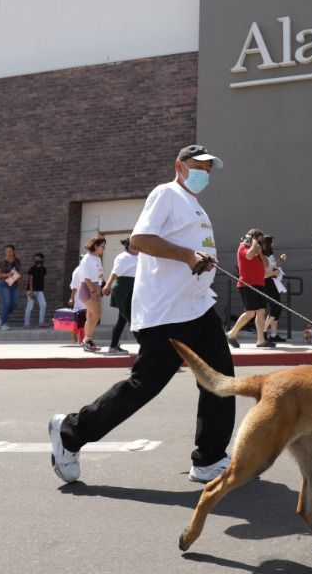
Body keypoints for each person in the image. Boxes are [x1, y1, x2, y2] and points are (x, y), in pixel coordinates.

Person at [49, 143, 234, 486]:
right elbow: (140, 240)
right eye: (199, 166)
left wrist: (204, 261)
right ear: (180, 166)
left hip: (197, 307)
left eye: (209, 169)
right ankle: (70, 432)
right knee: (144, 386)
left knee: (221, 382)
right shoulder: (165, 195)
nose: (205, 174)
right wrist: (188, 257)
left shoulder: (195, 207)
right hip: (167, 313)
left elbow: (195, 251)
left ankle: (210, 459)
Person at [226, 229, 274, 349]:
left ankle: (260, 340)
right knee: (250, 313)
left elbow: (266, 264)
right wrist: (254, 245)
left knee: (261, 312)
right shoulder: (243, 247)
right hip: (247, 284)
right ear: (253, 238)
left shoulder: (258, 250)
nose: (261, 243)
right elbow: (249, 256)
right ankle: (231, 334)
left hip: (259, 284)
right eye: (259, 240)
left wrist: (261, 253)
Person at [103, 238, 138, 353]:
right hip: (123, 290)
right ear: (128, 246)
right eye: (135, 246)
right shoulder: (123, 257)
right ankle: (147, 348)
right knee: (133, 320)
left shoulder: (138, 257)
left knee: (122, 320)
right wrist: (107, 285)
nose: (138, 248)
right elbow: (115, 272)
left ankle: (113, 346)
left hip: (132, 289)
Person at [79, 236, 107, 353]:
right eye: (102, 246)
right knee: (96, 314)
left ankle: (88, 341)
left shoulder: (97, 259)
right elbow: (86, 277)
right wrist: (92, 291)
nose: (104, 249)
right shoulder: (87, 258)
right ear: (95, 246)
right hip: (88, 288)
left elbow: (100, 274)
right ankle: (87, 340)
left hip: (96, 287)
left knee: (91, 316)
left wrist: (102, 287)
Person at [261, 235, 287, 344]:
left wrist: (280, 260)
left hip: (273, 283)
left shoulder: (269, 255)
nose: (273, 244)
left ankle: (273, 334)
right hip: (267, 283)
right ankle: (262, 331)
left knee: (276, 309)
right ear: (267, 243)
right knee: (275, 309)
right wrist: (273, 273)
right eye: (272, 242)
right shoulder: (262, 256)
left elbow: (273, 266)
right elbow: (262, 274)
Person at [0, 245, 22, 329]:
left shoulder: (17, 261)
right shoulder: (2, 262)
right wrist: (7, 274)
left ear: (14, 251)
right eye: (7, 251)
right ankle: (4, 324)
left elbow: (19, 271)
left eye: (10, 251)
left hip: (14, 284)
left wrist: (19, 277)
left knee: (14, 304)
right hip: (3, 284)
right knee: (6, 303)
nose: (8, 253)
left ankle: (2, 317)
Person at [24, 253, 48, 328]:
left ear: (42, 259)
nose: (37, 260)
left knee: (43, 304)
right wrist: (31, 290)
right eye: (35, 259)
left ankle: (41, 322)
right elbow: (30, 279)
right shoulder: (32, 268)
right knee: (30, 306)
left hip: (40, 290)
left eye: (38, 259)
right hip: (31, 290)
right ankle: (26, 324)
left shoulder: (44, 269)